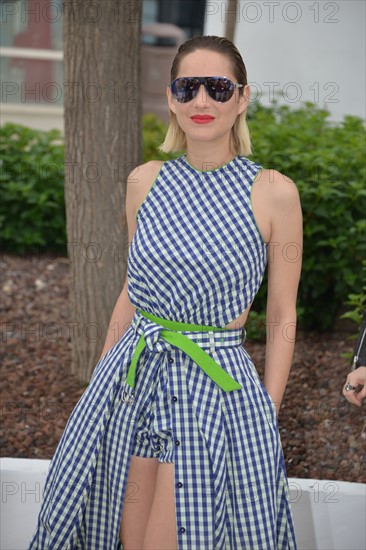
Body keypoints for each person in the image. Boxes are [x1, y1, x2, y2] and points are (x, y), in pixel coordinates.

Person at [28, 35, 302, 550]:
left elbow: (283, 314)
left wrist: (267, 411)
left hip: (212, 392)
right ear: (172, 97)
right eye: (188, 87)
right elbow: (134, 289)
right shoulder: (143, 181)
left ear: (242, 98)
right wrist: (98, 390)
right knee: (122, 533)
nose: (202, 101)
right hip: (133, 379)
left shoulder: (273, 192)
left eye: (218, 88)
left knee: (173, 539)